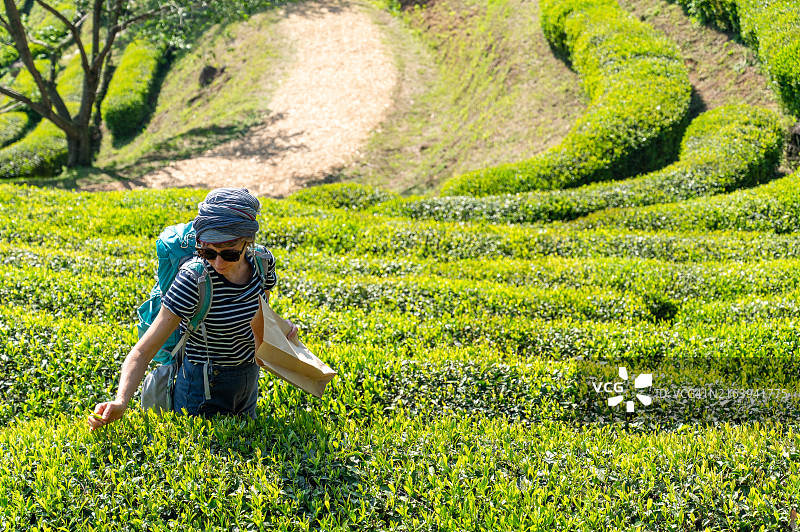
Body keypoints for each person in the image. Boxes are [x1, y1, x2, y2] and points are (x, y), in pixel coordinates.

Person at [88, 188, 296, 430]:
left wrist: (282, 330)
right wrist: (121, 401)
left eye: (229, 253)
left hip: (248, 381)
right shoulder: (194, 279)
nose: (218, 263)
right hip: (202, 389)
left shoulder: (262, 262)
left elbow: (260, 314)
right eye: (207, 252)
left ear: (247, 243)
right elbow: (143, 351)